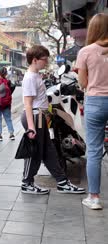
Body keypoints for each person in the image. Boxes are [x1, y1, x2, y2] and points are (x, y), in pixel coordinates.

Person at [20, 45, 85, 195]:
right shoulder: (30, 77)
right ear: (35, 60)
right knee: (36, 152)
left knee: (49, 151)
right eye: (44, 59)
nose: (46, 62)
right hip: (35, 118)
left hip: (41, 116)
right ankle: (27, 183)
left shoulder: (36, 75)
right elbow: (28, 104)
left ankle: (62, 182)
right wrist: (31, 127)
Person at [76, 13, 108, 209]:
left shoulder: (86, 51)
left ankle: (94, 198)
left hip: (95, 102)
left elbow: (83, 83)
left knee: (95, 151)